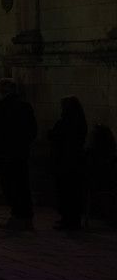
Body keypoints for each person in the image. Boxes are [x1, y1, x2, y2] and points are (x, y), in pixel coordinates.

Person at [0, 78, 37, 231]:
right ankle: (26, 217)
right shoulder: (25, 107)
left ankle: (17, 216)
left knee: (11, 186)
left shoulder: (0, 108)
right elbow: (32, 129)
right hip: (20, 152)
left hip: (5, 153)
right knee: (22, 184)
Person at [47, 96, 87, 231]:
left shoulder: (66, 122)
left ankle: (69, 220)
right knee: (72, 192)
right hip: (74, 161)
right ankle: (71, 219)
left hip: (65, 162)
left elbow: (56, 136)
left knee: (66, 192)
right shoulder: (80, 121)